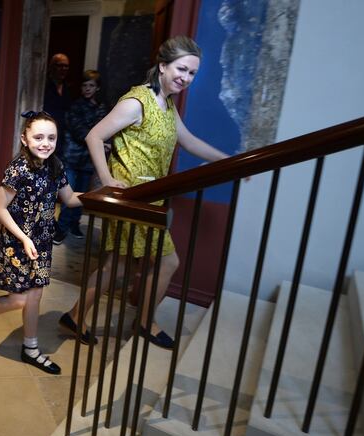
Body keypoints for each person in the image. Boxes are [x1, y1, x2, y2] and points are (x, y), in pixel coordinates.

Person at [60, 36, 233, 350]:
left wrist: (227, 161)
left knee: (118, 266)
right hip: (131, 199)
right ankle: (144, 321)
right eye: (181, 69)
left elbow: (189, 141)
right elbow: (94, 136)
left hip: (150, 197)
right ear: (163, 66)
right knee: (166, 263)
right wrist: (107, 178)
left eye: (192, 73)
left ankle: (76, 315)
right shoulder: (136, 101)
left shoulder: (166, 103)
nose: (186, 77)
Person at [0, 111, 83, 374]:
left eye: (51, 137)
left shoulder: (56, 166)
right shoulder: (19, 169)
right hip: (17, 244)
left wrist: (102, 196)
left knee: (36, 295)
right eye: (38, 137)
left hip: (42, 244)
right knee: (20, 299)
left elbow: (70, 198)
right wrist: (24, 238)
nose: (45, 143)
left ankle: (30, 348)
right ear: (24, 139)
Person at [53, 70, 109, 245]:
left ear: (97, 88)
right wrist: (100, 142)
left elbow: (104, 129)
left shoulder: (102, 107)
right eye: (84, 85)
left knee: (82, 195)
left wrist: (101, 140)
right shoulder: (75, 106)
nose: (87, 89)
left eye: (91, 85)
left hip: (88, 160)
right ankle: (61, 228)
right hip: (71, 157)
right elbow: (80, 131)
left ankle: (74, 224)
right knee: (68, 195)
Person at [43, 53, 73, 158]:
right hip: (47, 132)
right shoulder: (44, 85)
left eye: (66, 66)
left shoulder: (68, 88)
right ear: (52, 66)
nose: (63, 69)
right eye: (60, 65)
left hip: (63, 137)